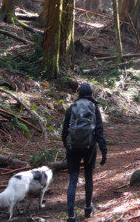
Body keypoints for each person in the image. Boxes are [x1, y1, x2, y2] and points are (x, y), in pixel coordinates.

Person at [61, 82, 107, 220]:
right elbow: (99, 131)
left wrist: (67, 146)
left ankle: (70, 215)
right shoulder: (94, 108)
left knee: (73, 180)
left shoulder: (72, 108)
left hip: (73, 148)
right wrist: (103, 150)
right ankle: (88, 208)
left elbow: (64, 132)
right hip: (89, 148)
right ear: (91, 93)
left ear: (79, 93)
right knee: (88, 176)